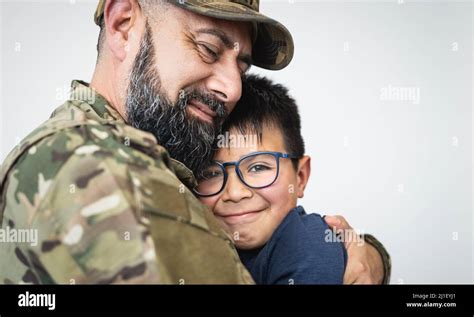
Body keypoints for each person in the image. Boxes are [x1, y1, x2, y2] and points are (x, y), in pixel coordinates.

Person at [0, 0, 389, 284]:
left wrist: (362, 255)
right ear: (122, 25)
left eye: (241, 65)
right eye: (208, 49)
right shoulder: (98, 170)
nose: (233, 89)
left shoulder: (155, 157)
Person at [196, 75, 348, 284]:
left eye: (259, 167)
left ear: (300, 177)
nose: (235, 193)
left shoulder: (308, 243)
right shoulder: (201, 244)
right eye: (212, 173)